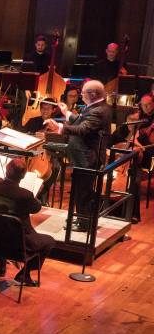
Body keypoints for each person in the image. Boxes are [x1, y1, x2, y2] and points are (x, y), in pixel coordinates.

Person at [45, 79, 112, 230]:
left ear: (93, 94)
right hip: (83, 155)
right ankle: (82, 218)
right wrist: (66, 113)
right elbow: (82, 120)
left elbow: (83, 129)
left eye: (83, 93)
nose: (81, 96)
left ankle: (85, 224)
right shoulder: (97, 106)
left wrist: (61, 128)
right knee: (80, 189)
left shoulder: (99, 110)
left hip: (88, 157)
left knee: (83, 191)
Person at [0, 158, 56, 286]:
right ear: (23, 176)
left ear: (6, 171)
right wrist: (37, 196)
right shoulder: (25, 195)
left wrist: (0, 182)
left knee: (2, 224)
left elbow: (6, 191)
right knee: (49, 241)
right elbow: (36, 208)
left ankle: (2, 267)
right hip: (19, 245)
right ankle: (24, 274)